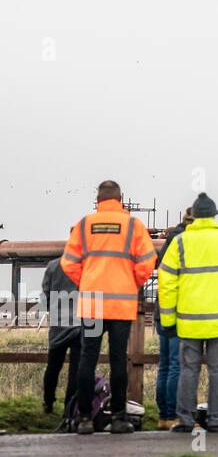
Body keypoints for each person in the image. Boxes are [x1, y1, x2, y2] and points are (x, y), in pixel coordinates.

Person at [60, 179, 158, 435]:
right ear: (121, 199)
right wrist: (131, 282)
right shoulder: (133, 225)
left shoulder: (84, 225)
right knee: (118, 360)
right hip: (120, 305)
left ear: (98, 201)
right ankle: (117, 418)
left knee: (87, 359)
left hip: (93, 303)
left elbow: (68, 263)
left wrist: (87, 281)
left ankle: (83, 419)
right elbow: (148, 260)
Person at [157, 192, 218, 433]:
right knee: (217, 371)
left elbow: (166, 283)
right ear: (214, 216)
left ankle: (186, 421)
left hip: (189, 322)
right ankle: (217, 420)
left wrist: (169, 320)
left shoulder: (179, 243)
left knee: (188, 370)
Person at [153, 207, 192, 430]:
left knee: (165, 364)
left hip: (163, 309)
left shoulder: (171, 241)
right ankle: (176, 414)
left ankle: (164, 415)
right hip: (178, 311)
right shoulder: (184, 241)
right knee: (178, 364)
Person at [40, 255, 80, 417]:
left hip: (58, 325)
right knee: (76, 370)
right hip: (81, 323)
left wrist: (54, 309)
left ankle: (48, 402)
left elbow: (45, 294)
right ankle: (69, 408)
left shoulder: (53, 266)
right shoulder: (86, 265)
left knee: (53, 366)